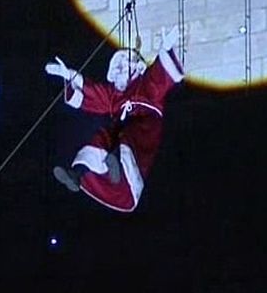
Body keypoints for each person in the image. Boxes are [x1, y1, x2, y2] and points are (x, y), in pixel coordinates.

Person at [44, 25, 184, 212]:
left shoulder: (144, 85)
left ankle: (115, 165)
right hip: (121, 129)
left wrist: (164, 50)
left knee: (127, 134)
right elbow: (95, 93)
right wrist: (70, 75)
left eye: (122, 67)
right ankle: (77, 174)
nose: (118, 72)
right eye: (116, 69)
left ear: (135, 68)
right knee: (103, 136)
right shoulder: (114, 97)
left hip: (144, 124)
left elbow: (158, 79)